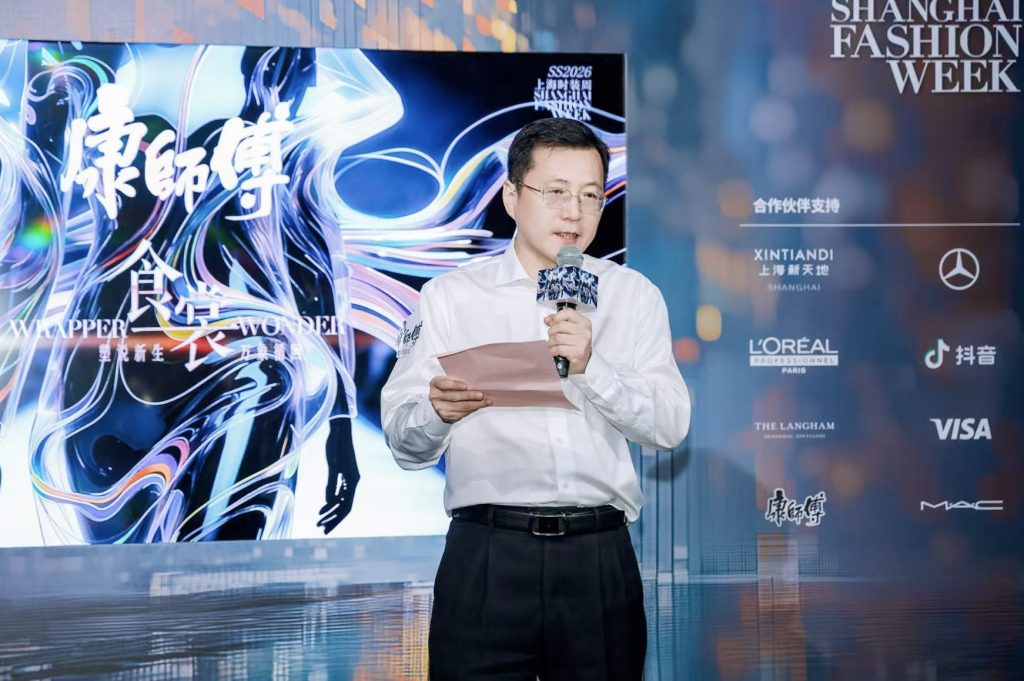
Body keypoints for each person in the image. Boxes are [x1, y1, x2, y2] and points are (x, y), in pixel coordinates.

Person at [381, 117, 691, 680]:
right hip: (488, 556)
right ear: (511, 197)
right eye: (555, 192)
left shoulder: (633, 296)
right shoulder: (450, 298)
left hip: (598, 558)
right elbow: (404, 443)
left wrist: (593, 369)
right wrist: (435, 412)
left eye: (591, 196)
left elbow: (670, 426)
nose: (574, 212)